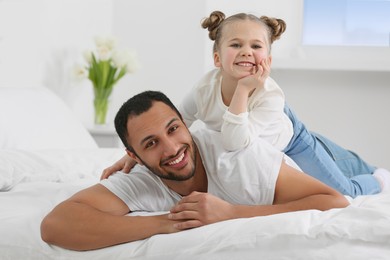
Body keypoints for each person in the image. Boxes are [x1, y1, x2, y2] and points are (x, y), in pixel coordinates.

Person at [101, 11, 390, 197]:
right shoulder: (204, 88)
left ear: (268, 59)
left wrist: (243, 90)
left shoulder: (270, 95)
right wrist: (133, 155)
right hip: (261, 140)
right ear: (217, 58)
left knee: (344, 191)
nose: (246, 52)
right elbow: (179, 123)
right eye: (235, 45)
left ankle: (379, 180)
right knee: (338, 159)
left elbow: (236, 142)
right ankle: (356, 163)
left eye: (256, 46)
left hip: (292, 141)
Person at [41, 90, 349, 251]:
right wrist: (169, 223)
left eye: (173, 129)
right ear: (133, 155)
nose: (171, 148)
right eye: (151, 143)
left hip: (298, 142)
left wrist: (231, 213)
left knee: (365, 181)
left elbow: (334, 201)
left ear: (185, 124)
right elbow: (56, 224)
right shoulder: (142, 179)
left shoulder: (235, 155)